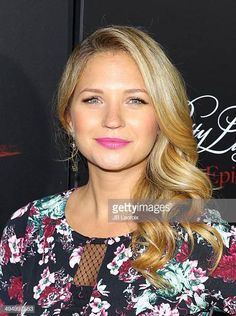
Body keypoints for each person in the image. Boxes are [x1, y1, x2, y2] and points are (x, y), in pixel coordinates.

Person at [0, 25, 235, 316]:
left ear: (162, 118)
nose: (112, 119)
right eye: (93, 99)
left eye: (135, 100)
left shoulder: (206, 237)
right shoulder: (27, 228)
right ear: (69, 118)